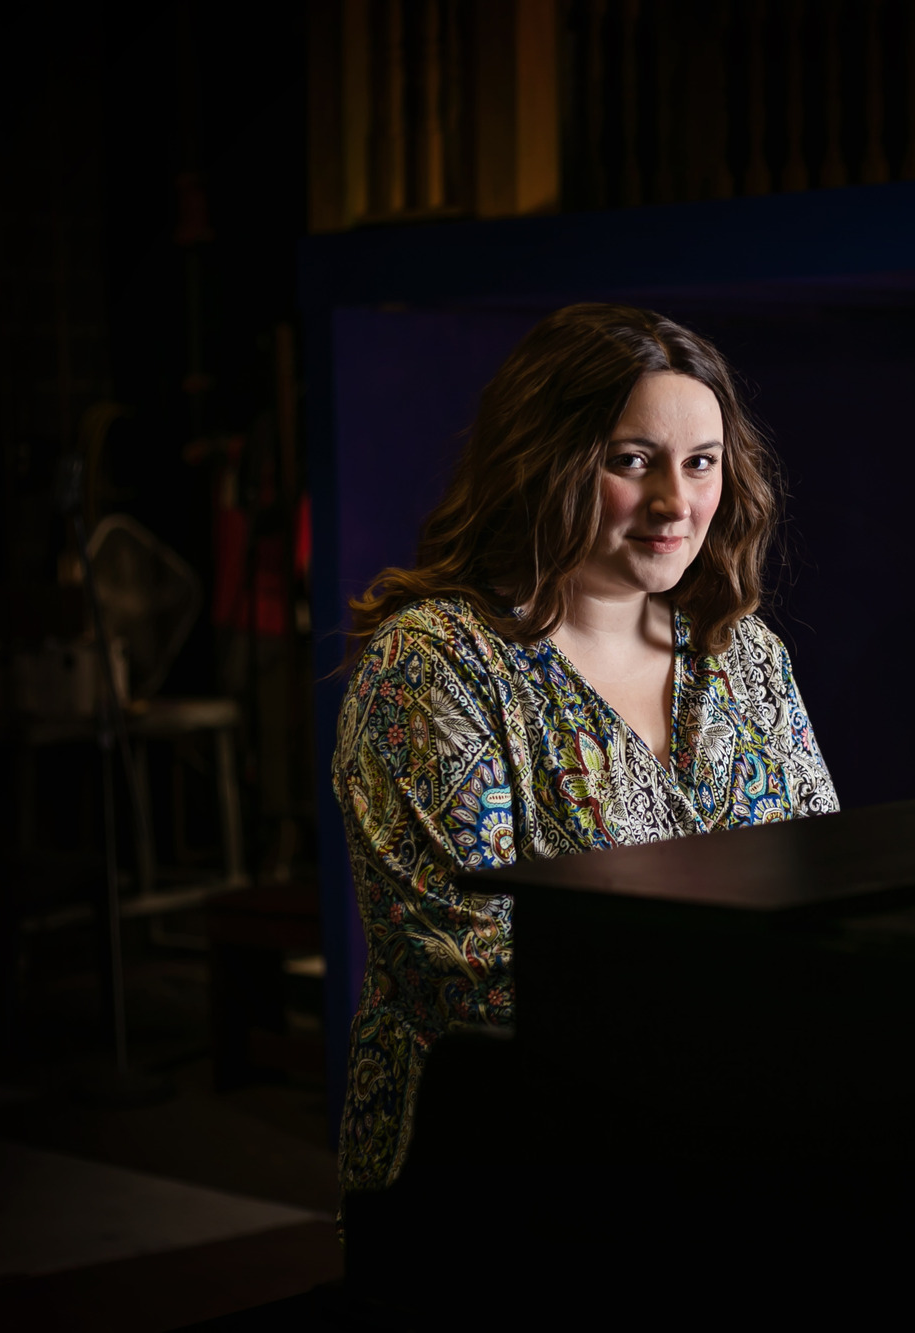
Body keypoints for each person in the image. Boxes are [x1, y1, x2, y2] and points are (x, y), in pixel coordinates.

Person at [331, 304, 840, 1191]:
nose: (676, 503)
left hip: (742, 1135)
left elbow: (827, 883)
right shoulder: (439, 666)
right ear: (546, 461)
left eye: (701, 464)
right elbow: (472, 972)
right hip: (507, 1169)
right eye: (632, 461)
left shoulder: (744, 655)